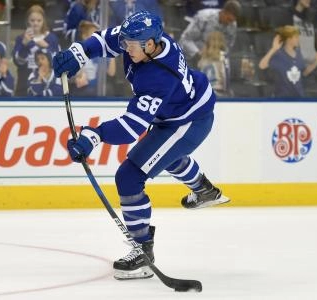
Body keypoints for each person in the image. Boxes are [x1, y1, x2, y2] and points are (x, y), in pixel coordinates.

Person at [53, 10, 230, 280]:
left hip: (188, 122)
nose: (124, 48)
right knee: (163, 155)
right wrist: (76, 54)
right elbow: (102, 41)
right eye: (124, 43)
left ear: (149, 45)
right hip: (177, 113)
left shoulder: (159, 76)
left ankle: (142, 251)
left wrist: (93, 135)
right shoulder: (142, 40)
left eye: (130, 46)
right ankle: (203, 189)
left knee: (129, 176)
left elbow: (131, 127)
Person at [258, 25, 317, 97]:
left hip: (298, 97)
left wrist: (316, 62)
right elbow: (262, 65)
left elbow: (303, 73)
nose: (298, 39)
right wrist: (273, 49)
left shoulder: (298, 53)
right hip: (282, 98)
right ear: (289, 39)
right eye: (296, 37)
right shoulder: (279, 54)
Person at [12, 4, 60, 96]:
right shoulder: (21, 38)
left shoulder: (51, 38)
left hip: (48, 85)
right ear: (27, 21)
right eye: (32, 20)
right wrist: (24, 45)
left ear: (43, 21)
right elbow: (17, 62)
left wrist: (47, 46)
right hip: (24, 84)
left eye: (39, 20)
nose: (35, 23)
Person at [179, 0, 241, 65]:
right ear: (224, 12)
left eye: (232, 21)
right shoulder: (203, 18)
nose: (229, 23)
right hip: (192, 58)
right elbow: (185, 40)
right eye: (228, 19)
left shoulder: (232, 25)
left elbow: (228, 46)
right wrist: (198, 54)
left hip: (215, 61)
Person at [71, 20, 116, 96]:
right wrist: (78, 77)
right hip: (81, 90)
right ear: (84, 37)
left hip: (96, 89)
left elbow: (111, 73)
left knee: (108, 89)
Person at [197, 30, 231, 97]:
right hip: (219, 93)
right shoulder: (223, 56)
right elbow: (225, 76)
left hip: (204, 93)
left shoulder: (203, 58)